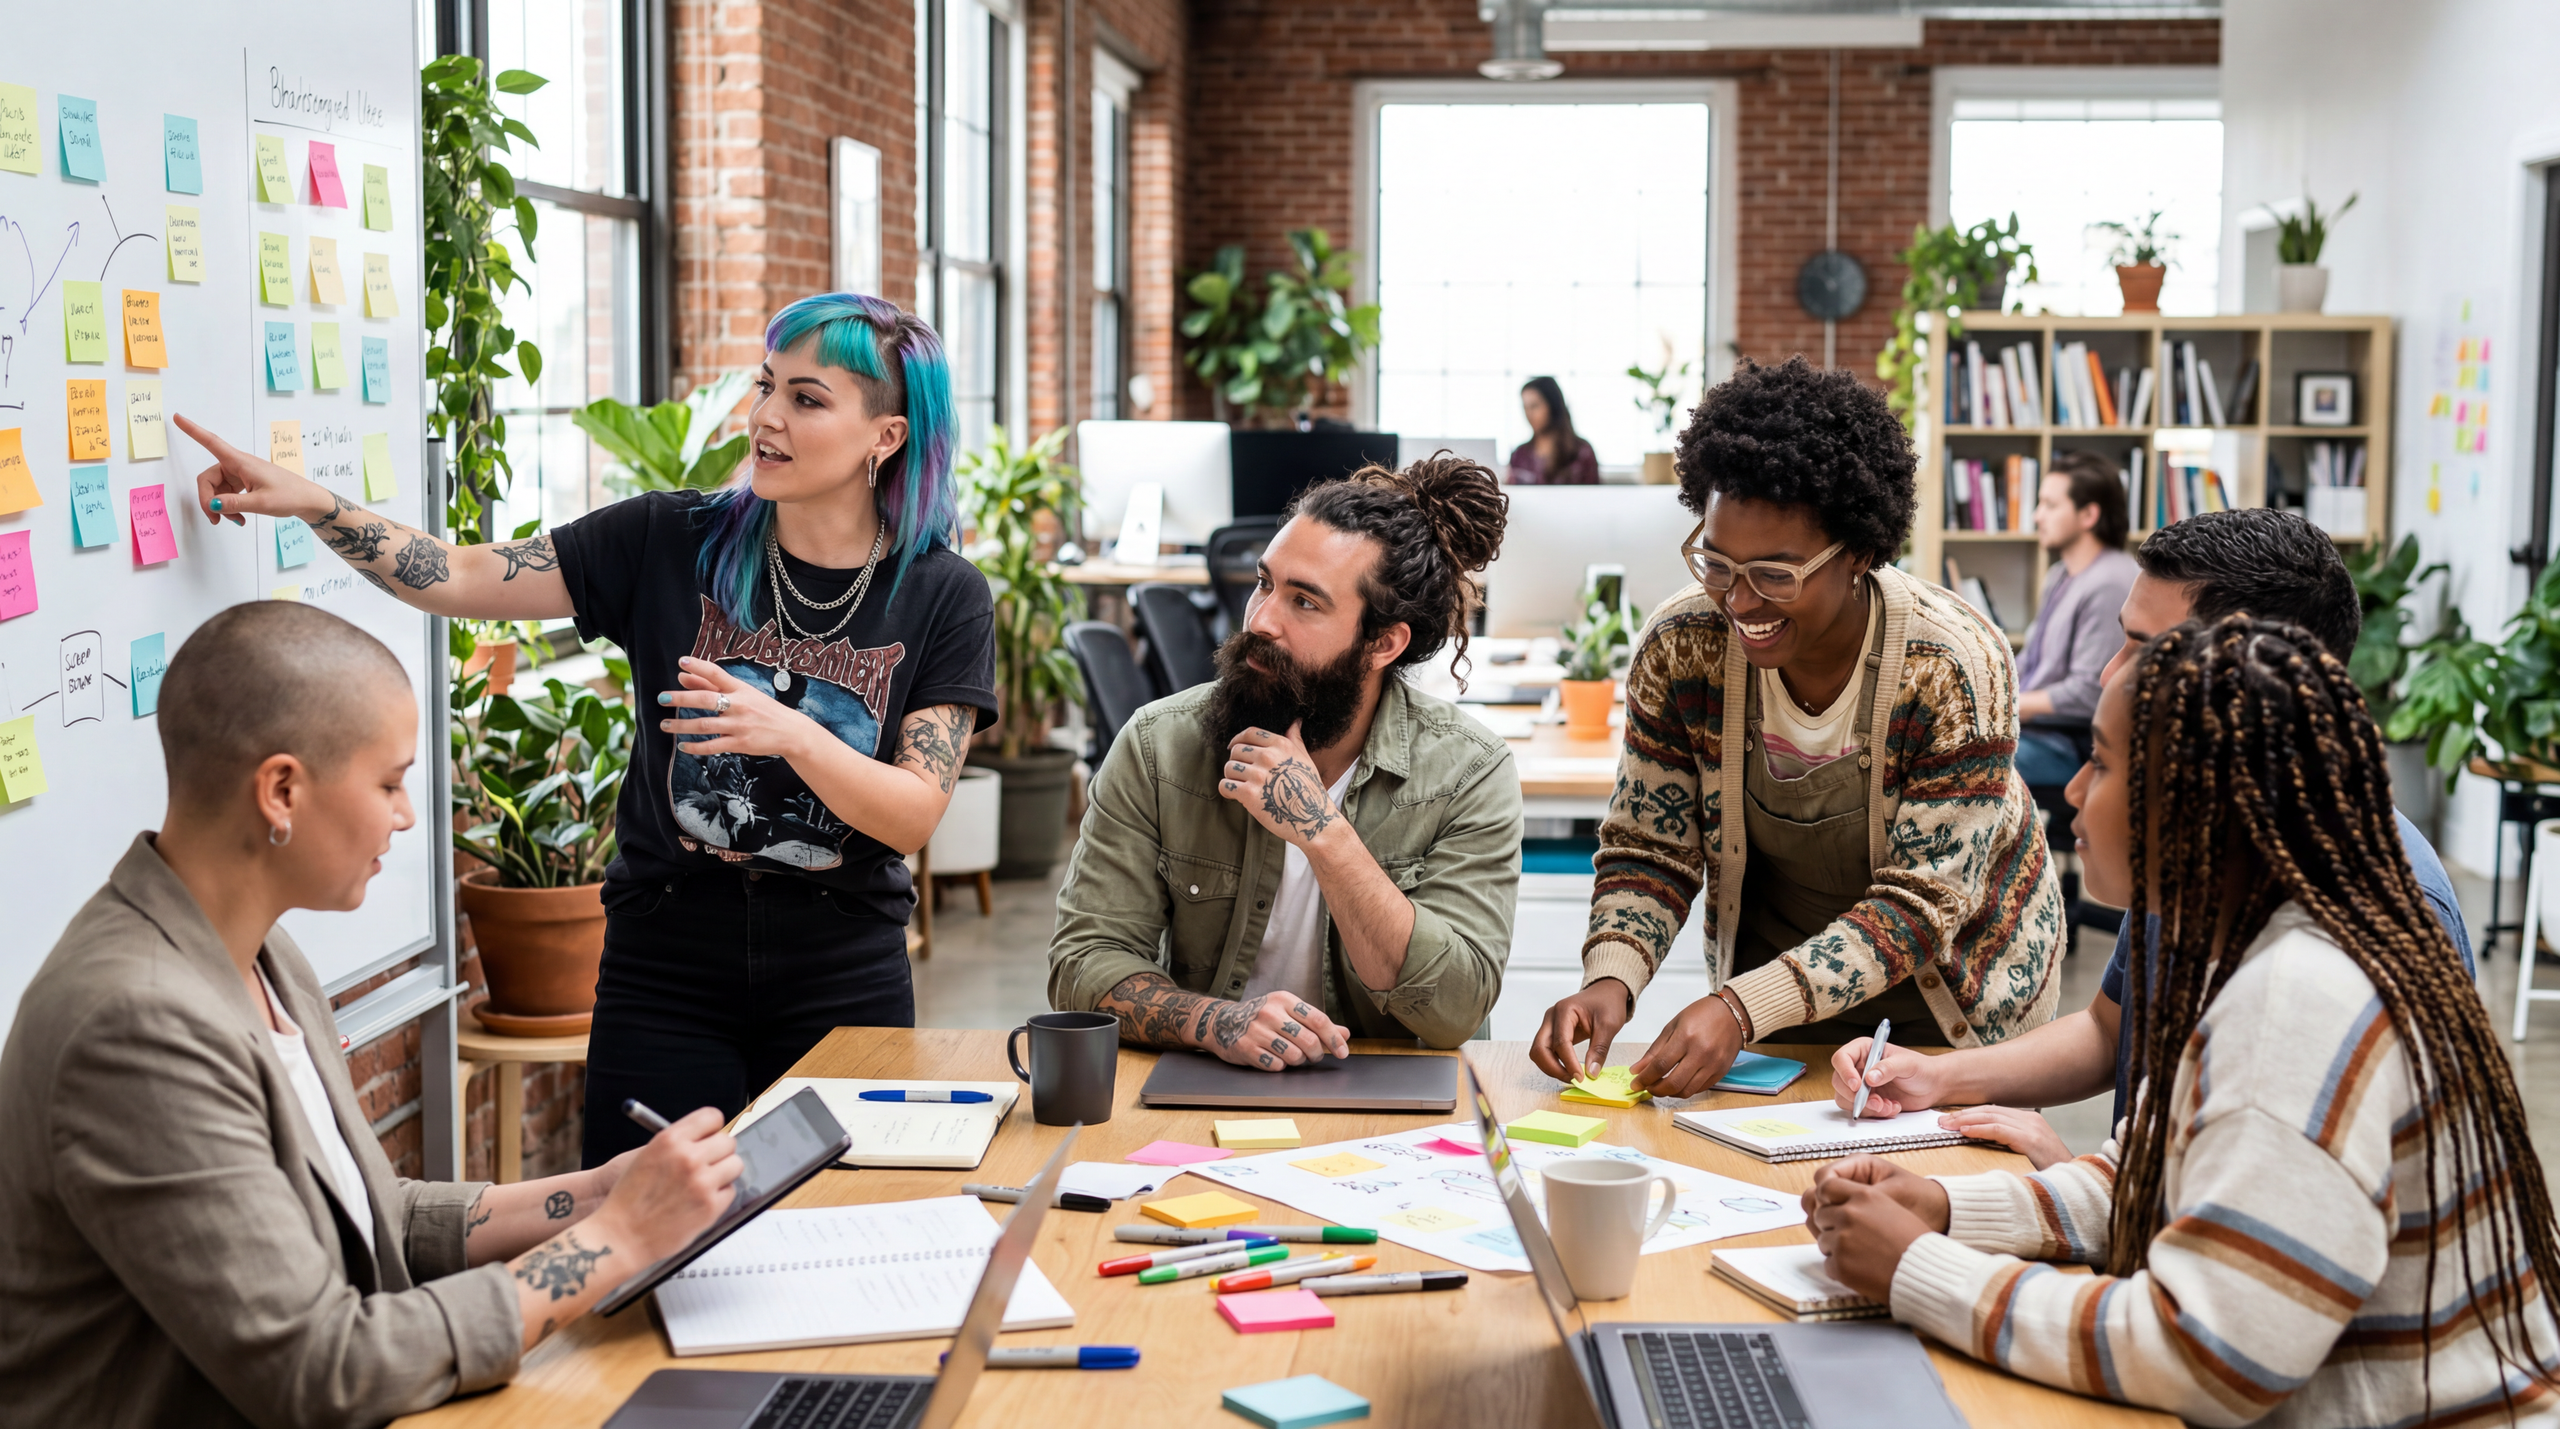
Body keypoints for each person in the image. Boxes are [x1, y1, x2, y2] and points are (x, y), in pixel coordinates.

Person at [172, 292, 997, 1167]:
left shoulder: (945, 595)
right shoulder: (665, 539)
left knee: (842, 1234)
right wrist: (312, 503)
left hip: (843, 965)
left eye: (806, 398)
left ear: (887, 437)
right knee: (641, 1233)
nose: (765, 417)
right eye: (765, 387)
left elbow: (911, 813)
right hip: (668, 962)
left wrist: (789, 731)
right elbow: (458, 575)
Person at [1804, 615, 2560, 1428]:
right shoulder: (2250, 943)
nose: (2073, 791)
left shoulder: (2298, 996)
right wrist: (1946, 1209)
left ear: (2198, 801)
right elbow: (2149, 1172)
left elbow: (2207, 1354)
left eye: (2100, 760)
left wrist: (1922, 1267)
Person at [0, 603, 743, 1425]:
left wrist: (598, 1194)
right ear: (281, 790)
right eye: (389, 782)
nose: (406, 815)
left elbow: (372, 1210)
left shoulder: (258, 954)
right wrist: (615, 1243)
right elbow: (321, 1366)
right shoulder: (135, 1026)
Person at [1831, 508, 2476, 1167]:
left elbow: (2255, 1239)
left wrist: (2082, 1187)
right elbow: (2111, 1030)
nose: (2111, 673)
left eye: (2145, 648)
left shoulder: (2366, 930)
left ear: (2244, 675)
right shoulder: (2198, 839)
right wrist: (1936, 1077)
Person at [1531, 357, 2064, 1097]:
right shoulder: (1685, 646)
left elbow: (1920, 905)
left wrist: (1740, 1008)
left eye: (1776, 575)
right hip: (1781, 1001)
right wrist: (1610, 980)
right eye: (1716, 564)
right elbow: (1652, 843)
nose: (1739, 601)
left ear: (1861, 555)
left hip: (1953, 1010)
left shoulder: (1950, 668)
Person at [1048, 455, 1522, 1063]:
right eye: (1265, 584)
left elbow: (1457, 1007)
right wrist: (1216, 1021)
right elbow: (1081, 964)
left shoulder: (1467, 771)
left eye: (1305, 602)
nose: (1261, 619)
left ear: (1383, 643)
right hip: (1206, 1089)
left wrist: (1323, 833)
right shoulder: (1159, 745)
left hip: (1396, 1105)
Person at [2011, 450, 2138, 789]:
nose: (2038, 516)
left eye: (2050, 506)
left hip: (2072, 744)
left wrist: (2007, 705)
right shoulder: (2059, 574)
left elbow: (2088, 693)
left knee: (1962, 761)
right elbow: (2031, 660)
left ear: (2088, 515)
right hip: (2038, 731)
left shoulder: (2110, 582)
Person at [1507, 376, 1599, 485]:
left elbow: (1593, 496)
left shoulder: (1582, 452)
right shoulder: (1519, 455)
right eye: (1525, 407)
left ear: (1552, 405)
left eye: (1535, 406)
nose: (1529, 414)